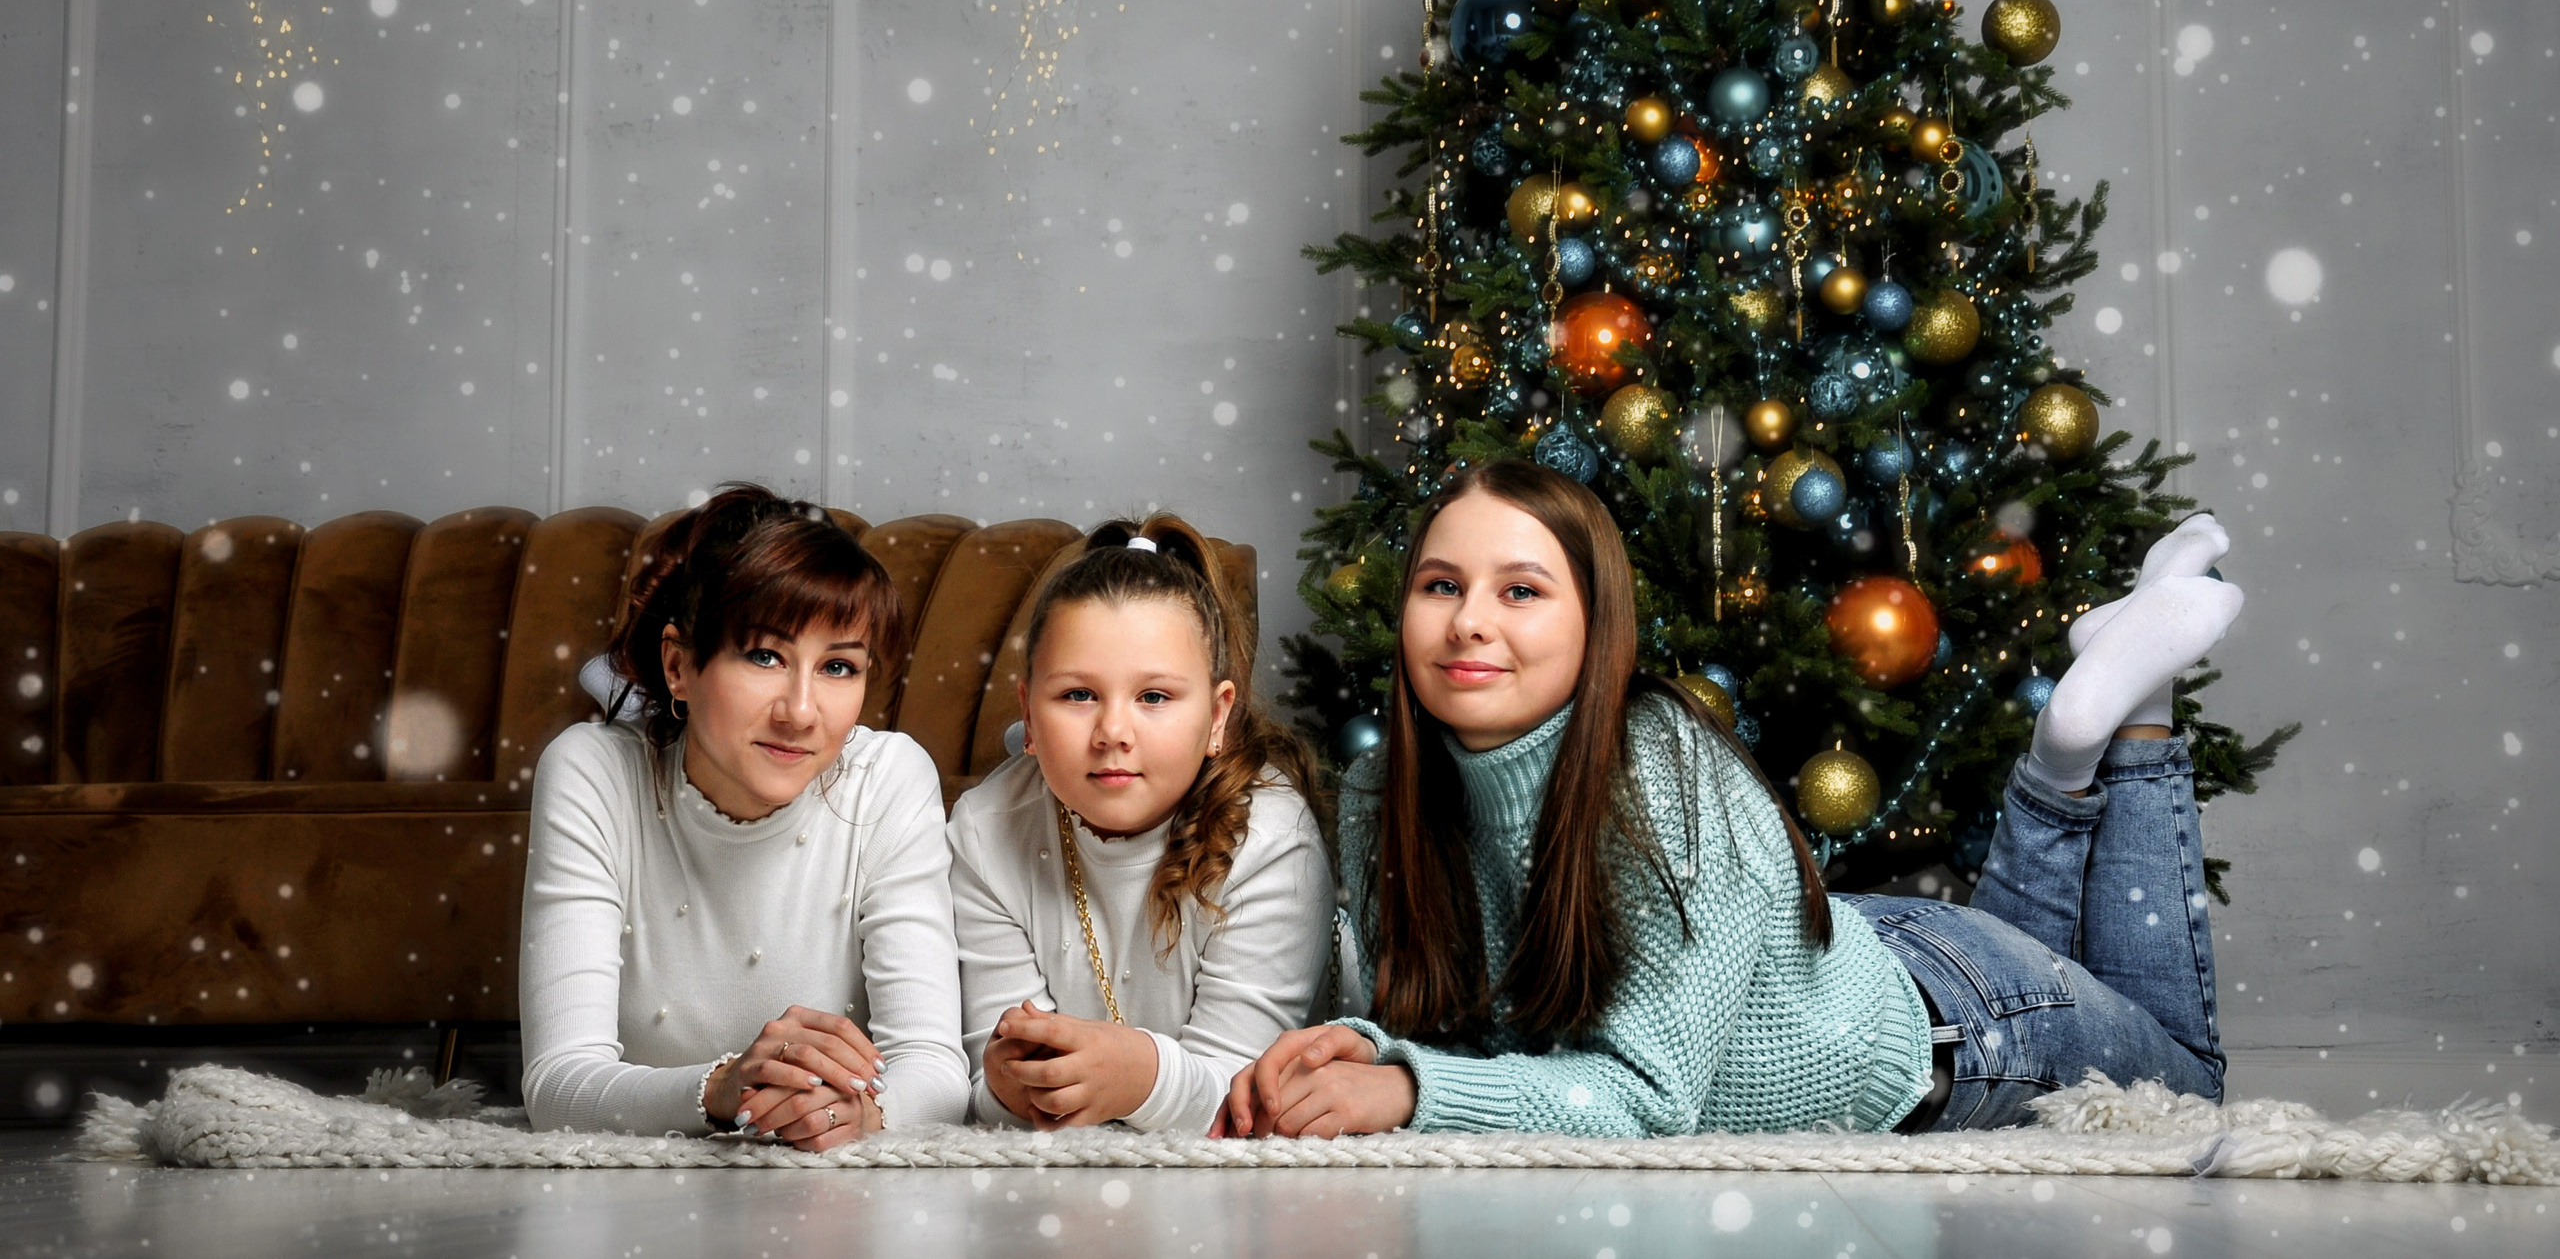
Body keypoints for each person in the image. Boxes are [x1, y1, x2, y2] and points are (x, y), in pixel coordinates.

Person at [1223, 459, 2243, 1139]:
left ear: (1596, 622)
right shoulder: (1378, 787)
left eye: (1521, 589)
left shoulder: (1658, 770)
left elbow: (1648, 1100)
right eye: (1439, 585)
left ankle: (2125, 718)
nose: (1467, 622)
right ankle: (2076, 743)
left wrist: (1406, 1089)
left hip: (1952, 1025)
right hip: (1833, 951)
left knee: (2186, 1084)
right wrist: (1366, 1043)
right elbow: (1479, 1029)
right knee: (2056, 963)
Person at [520, 484, 969, 1146]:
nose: (802, 711)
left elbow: (935, 1069)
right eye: (765, 656)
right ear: (678, 665)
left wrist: (858, 1114)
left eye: (839, 666)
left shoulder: (888, 777)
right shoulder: (594, 772)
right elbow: (558, 1086)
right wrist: (724, 1088)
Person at [947, 518, 1331, 1133]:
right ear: (1027, 711)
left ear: (1217, 716)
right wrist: (1008, 1085)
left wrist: (1143, 1078)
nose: (1113, 733)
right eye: (1077, 695)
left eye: (1154, 697)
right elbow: (986, 1085)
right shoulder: (985, 832)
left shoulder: (1272, 841)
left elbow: (1245, 1099)